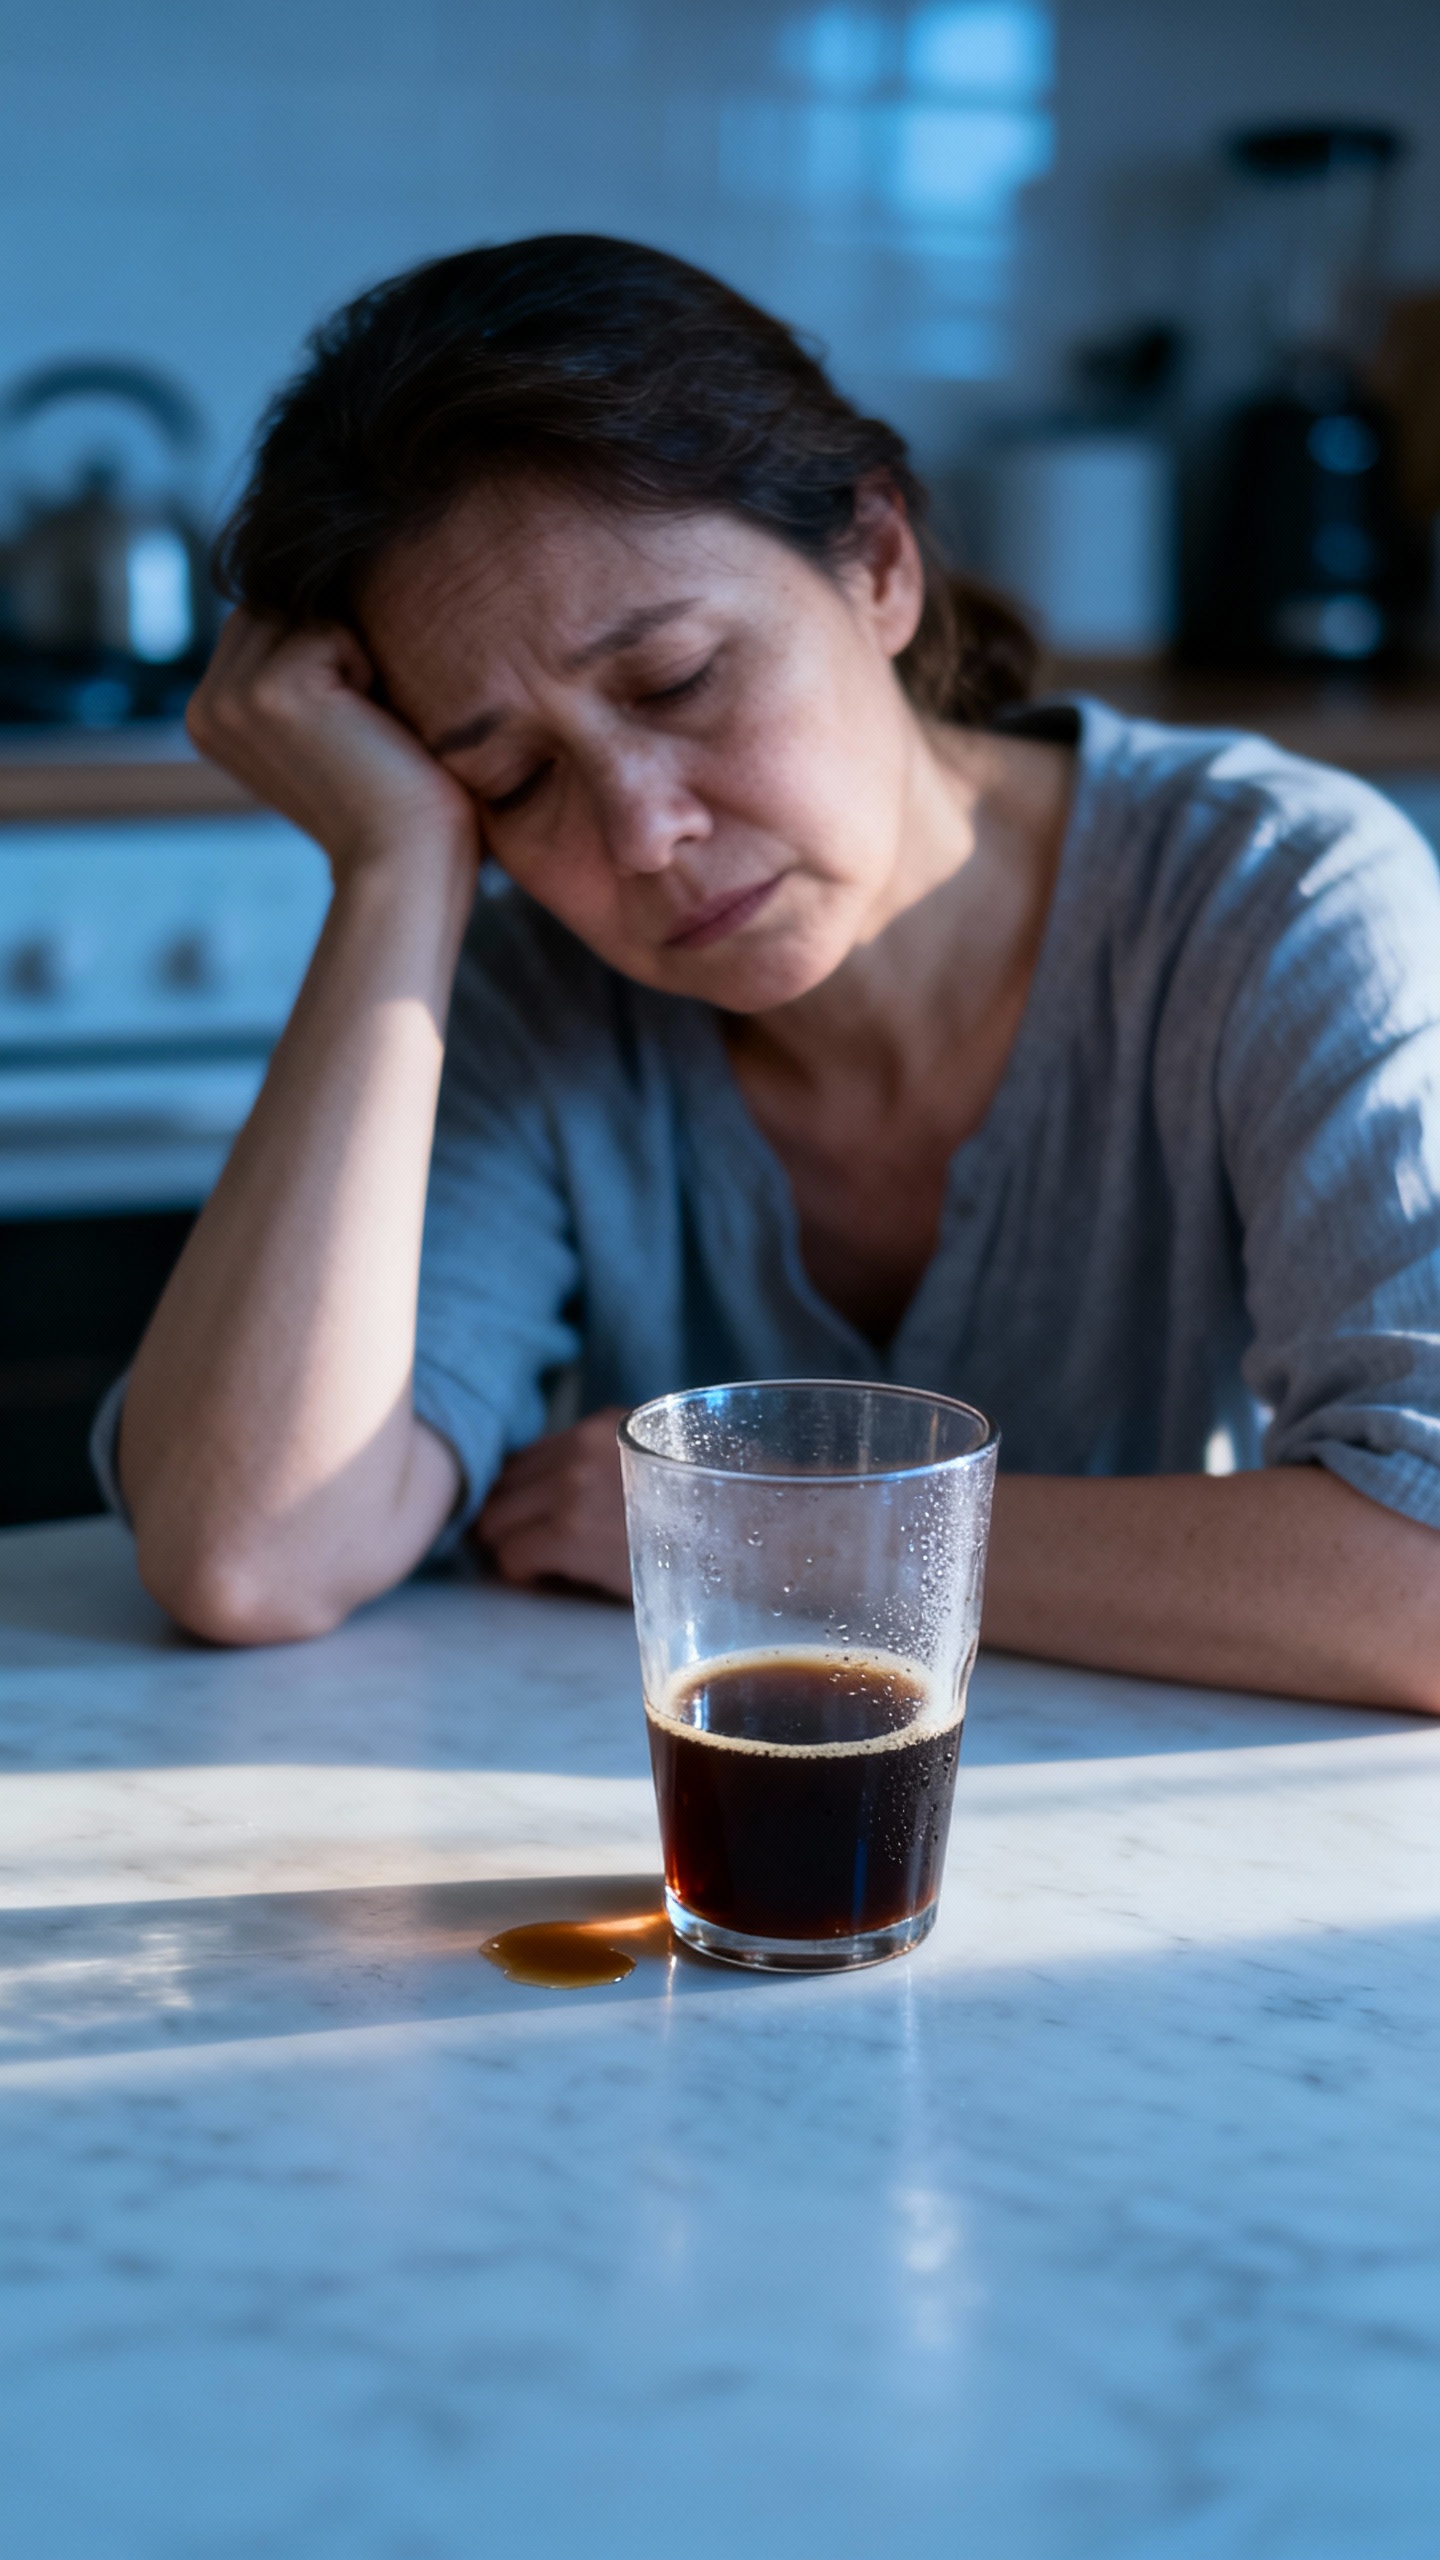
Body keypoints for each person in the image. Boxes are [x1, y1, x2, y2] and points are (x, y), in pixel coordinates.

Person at [103, 235, 1440, 1709]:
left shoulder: (1279, 892)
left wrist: (756, 1523)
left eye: (677, 680)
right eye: (515, 779)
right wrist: (394, 871)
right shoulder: (533, 994)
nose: (641, 833)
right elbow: (251, 1555)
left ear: (878, 563)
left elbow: (1422, 1581)